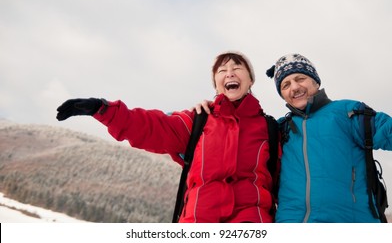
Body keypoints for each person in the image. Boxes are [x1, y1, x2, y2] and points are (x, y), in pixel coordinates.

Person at [56, 51, 278, 223]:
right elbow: (151, 127)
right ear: (216, 85)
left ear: (250, 81)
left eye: (237, 67)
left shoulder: (269, 128)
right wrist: (103, 109)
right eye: (222, 70)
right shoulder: (198, 120)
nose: (229, 72)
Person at [265, 53, 392, 223]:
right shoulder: (280, 128)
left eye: (300, 78)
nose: (294, 87)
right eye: (286, 84)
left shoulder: (347, 112)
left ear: (315, 82)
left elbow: (387, 131)